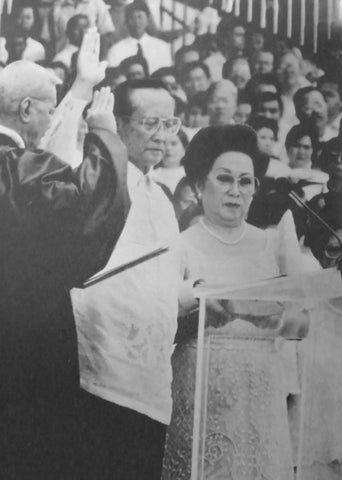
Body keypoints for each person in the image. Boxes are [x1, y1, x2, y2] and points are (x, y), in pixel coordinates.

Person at [0, 29, 129, 479]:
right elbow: (90, 211)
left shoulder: (24, 167)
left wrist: (78, 90)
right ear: (26, 110)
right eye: (50, 109)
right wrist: (105, 136)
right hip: (25, 340)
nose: (53, 117)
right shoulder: (22, 171)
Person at [162, 125, 303, 479]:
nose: (235, 191)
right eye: (224, 179)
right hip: (202, 389)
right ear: (197, 185)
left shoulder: (272, 244)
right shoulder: (180, 244)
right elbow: (162, 325)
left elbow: (298, 328)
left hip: (262, 388)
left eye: (246, 181)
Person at [73, 79, 196, 480]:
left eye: (171, 124)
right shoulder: (101, 184)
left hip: (151, 378)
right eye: (151, 123)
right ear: (120, 124)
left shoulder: (160, 196)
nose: (162, 136)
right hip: (100, 374)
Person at [107, 0, 172, 75]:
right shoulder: (116, 50)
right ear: (126, 22)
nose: (137, 22)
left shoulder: (162, 47)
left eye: (140, 17)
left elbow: (167, 75)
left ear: (148, 19)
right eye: (132, 18)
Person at [152, 129, 188, 193]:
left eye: (173, 144)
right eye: (164, 143)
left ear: (184, 150)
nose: (168, 148)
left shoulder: (191, 175)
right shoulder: (152, 176)